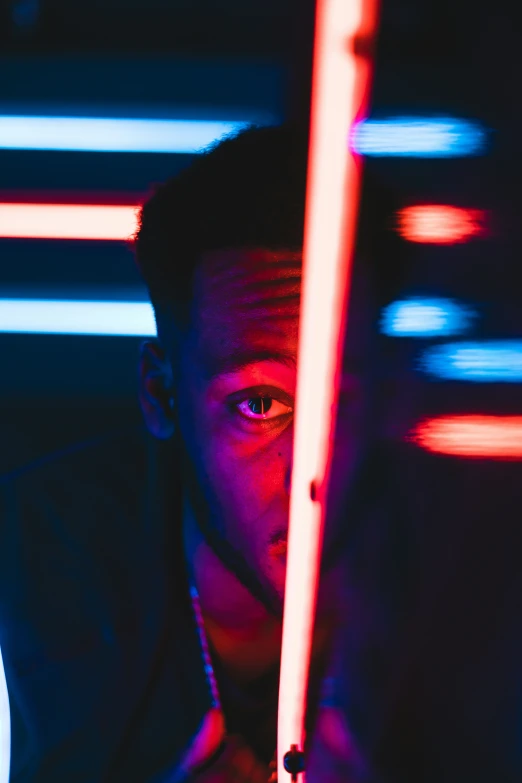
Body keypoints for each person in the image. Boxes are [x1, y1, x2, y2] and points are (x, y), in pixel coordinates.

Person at [0, 124, 407, 782]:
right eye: (261, 405)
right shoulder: (26, 587)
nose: (314, 473)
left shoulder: (470, 584)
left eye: (345, 403)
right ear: (162, 396)